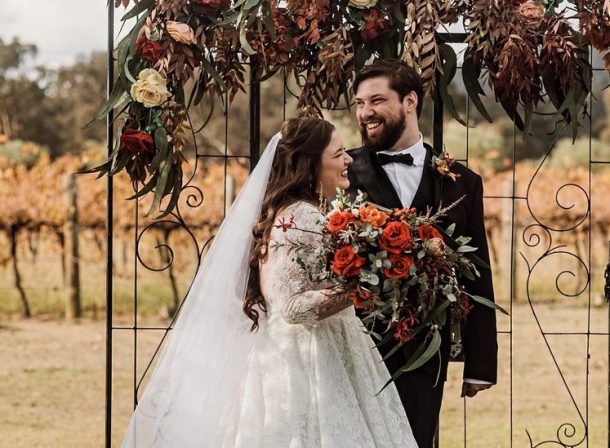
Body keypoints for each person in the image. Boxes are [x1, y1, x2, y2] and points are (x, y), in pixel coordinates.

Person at [120, 117, 418, 447]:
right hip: (307, 362)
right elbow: (291, 307)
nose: (349, 159)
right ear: (311, 162)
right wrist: (363, 284)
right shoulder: (301, 217)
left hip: (313, 350)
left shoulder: (298, 213)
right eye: (338, 153)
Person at [347, 59, 498, 448]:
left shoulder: (463, 182)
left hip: (425, 352)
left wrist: (480, 364)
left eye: (377, 100)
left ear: (410, 101)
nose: (366, 113)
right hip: (352, 347)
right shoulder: (341, 170)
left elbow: (477, 271)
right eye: (361, 103)